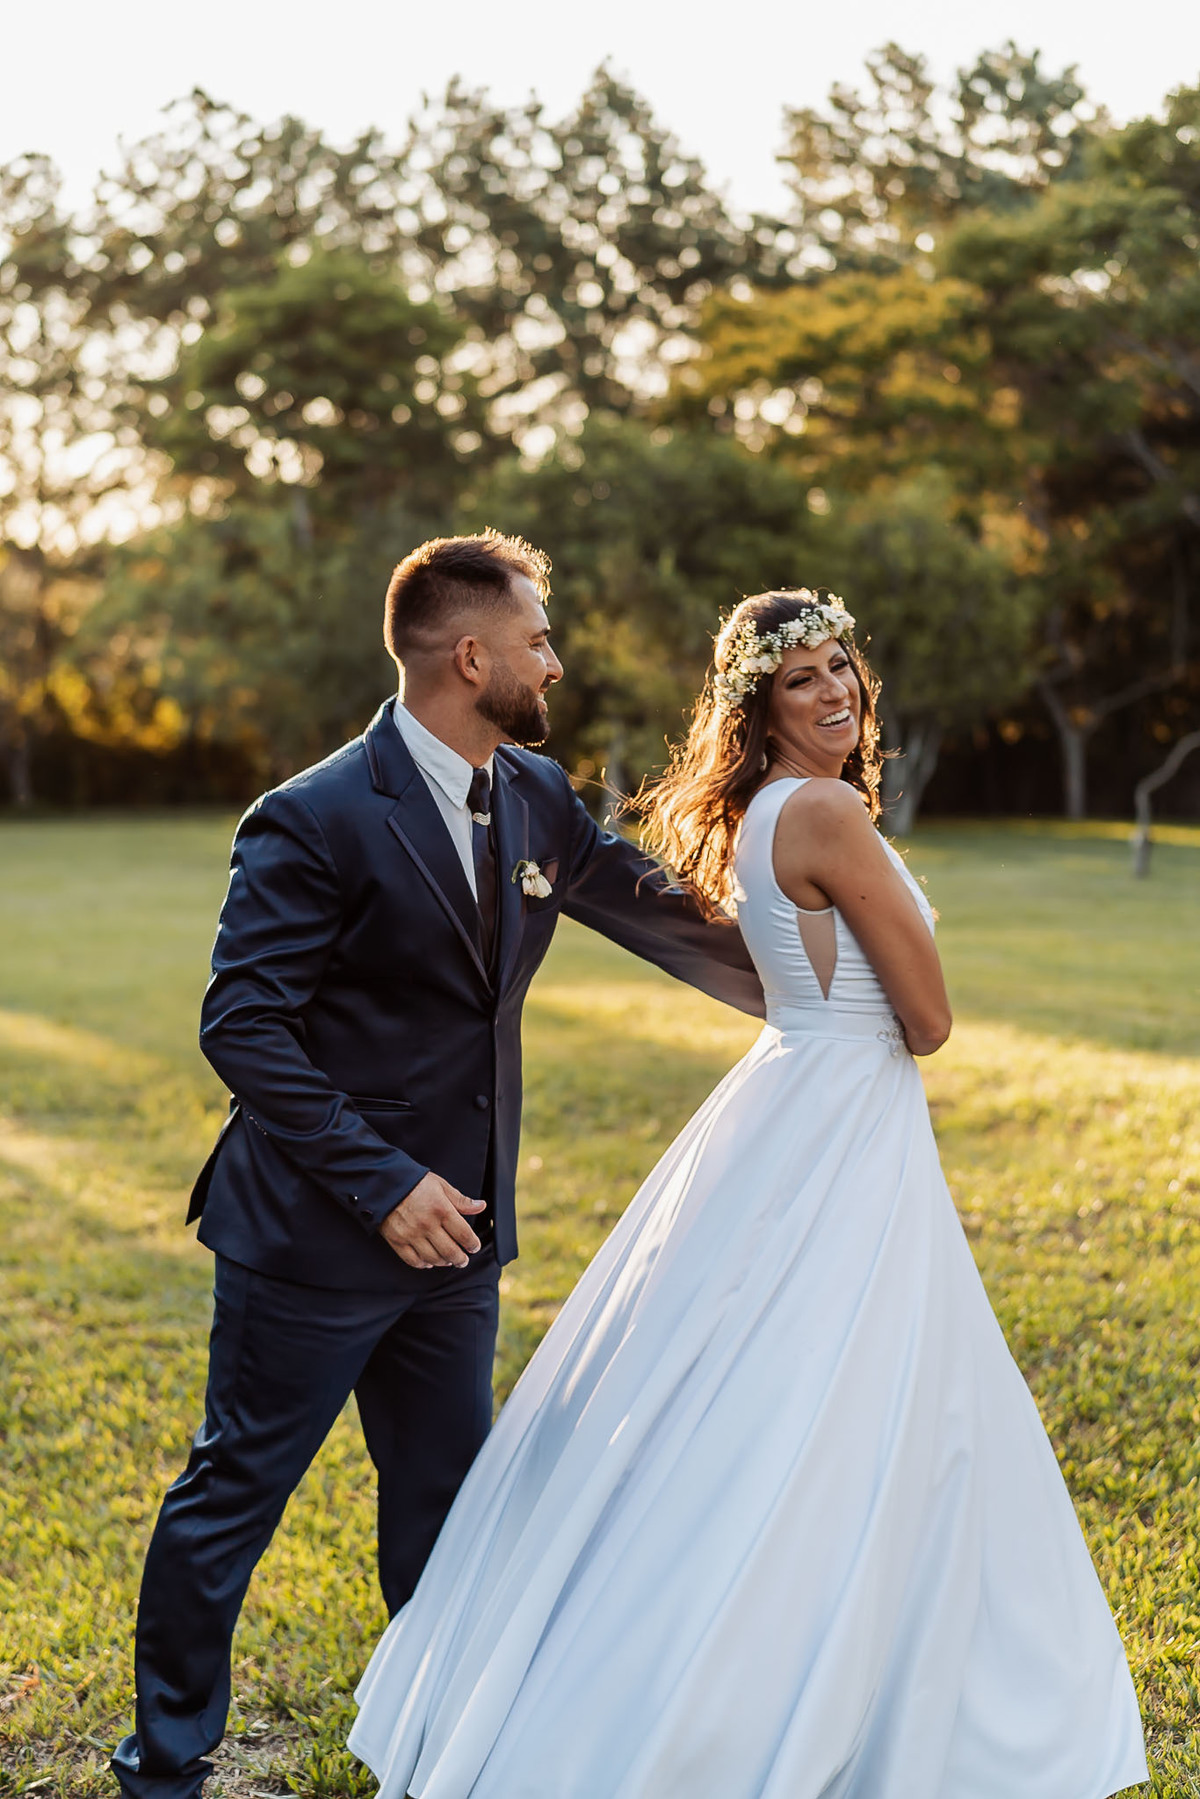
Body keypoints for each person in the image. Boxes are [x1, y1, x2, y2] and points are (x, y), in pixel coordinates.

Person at [348, 587, 1149, 1799]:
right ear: (760, 705)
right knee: (838, 1396)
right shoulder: (825, 810)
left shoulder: (772, 807)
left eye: (840, 664)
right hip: (842, 1119)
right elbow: (928, 1019)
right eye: (800, 677)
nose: (833, 690)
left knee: (777, 1390)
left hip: (799, 1099)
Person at [111, 531, 765, 1799]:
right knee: (234, 1493)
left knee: (449, 1507)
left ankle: (429, 1747)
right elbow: (242, 1025)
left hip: (460, 1235)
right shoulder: (312, 815)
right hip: (313, 1236)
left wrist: (829, 987)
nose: (553, 663)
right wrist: (383, 1182)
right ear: (472, 656)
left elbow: (665, 918)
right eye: (537, 641)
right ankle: (166, 1762)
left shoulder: (536, 794)